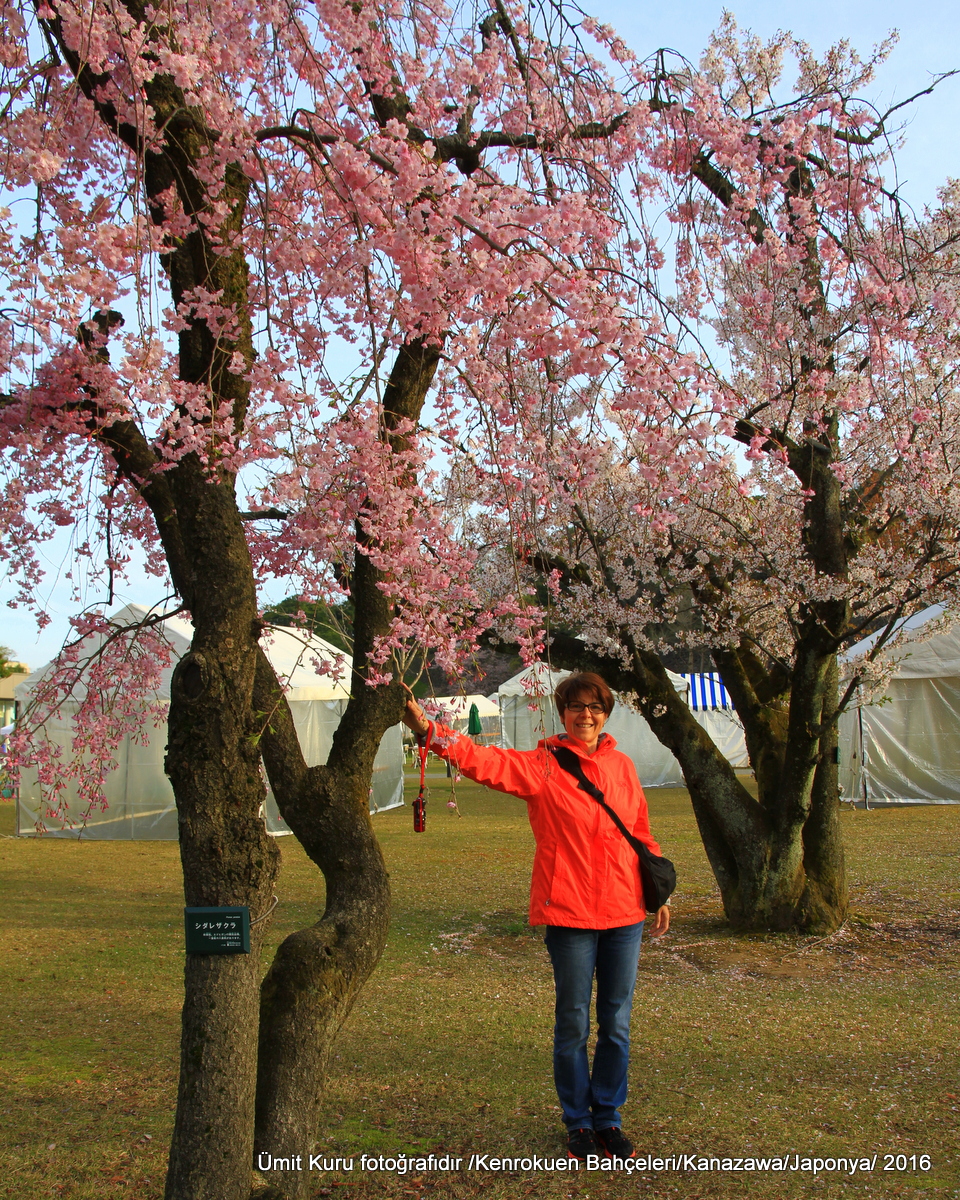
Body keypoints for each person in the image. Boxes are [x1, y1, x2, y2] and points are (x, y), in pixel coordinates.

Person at [402, 671, 671, 1161]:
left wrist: (658, 892)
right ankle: (578, 1122)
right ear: (561, 713)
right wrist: (429, 733)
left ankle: (608, 1117)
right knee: (572, 1021)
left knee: (616, 1021)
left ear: (605, 713)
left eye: (594, 706)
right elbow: (486, 761)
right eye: (575, 706)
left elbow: (640, 833)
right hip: (568, 912)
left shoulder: (624, 767)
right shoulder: (543, 766)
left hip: (624, 911)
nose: (585, 715)